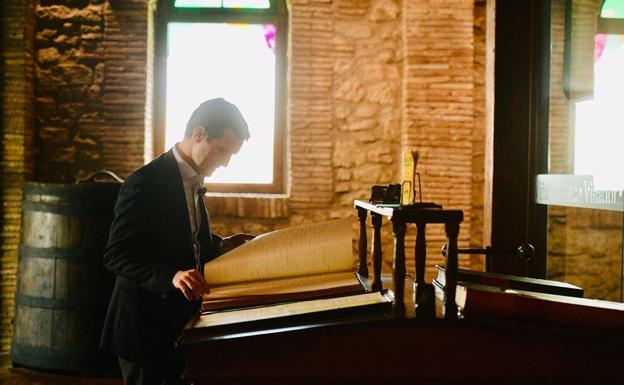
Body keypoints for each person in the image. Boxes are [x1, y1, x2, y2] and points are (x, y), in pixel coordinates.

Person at [100, 98, 254, 385]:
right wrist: (172, 276)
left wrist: (219, 245)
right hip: (143, 325)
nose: (225, 162)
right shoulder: (143, 183)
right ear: (198, 134)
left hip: (178, 320)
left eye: (231, 155)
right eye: (222, 150)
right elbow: (116, 254)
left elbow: (185, 236)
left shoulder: (194, 178)